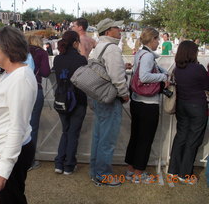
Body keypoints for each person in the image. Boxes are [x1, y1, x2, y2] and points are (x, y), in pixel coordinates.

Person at [0, 26, 37, 204]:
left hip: (9, 150)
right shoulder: (11, 74)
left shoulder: (20, 79)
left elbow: (17, 127)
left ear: (7, 48)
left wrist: (3, 168)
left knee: (12, 199)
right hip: (5, 147)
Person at [124, 27, 169, 184]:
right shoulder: (148, 56)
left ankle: (131, 169)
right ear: (152, 39)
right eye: (157, 39)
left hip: (137, 101)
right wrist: (163, 76)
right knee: (145, 138)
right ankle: (139, 172)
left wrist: (163, 71)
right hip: (148, 103)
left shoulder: (141, 54)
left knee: (136, 136)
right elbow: (144, 76)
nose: (159, 42)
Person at [90, 18, 129, 187]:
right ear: (108, 32)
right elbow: (117, 77)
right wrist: (124, 94)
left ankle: (96, 171)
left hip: (99, 96)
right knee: (107, 139)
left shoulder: (99, 47)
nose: (119, 30)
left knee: (99, 136)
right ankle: (103, 174)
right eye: (116, 28)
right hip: (110, 98)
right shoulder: (112, 49)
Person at [168, 41, 209, 184]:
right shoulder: (198, 69)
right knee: (193, 140)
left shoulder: (177, 69)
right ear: (192, 53)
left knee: (180, 137)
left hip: (182, 106)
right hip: (197, 107)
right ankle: (184, 174)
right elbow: (207, 85)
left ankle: (173, 170)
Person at [53, 30, 87, 175]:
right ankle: (69, 165)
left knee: (65, 131)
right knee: (73, 132)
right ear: (75, 43)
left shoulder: (57, 59)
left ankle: (59, 163)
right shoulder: (81, 60)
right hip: (78, 99)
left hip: (61, 99)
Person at [27, 35, 51, 170]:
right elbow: (46, 72)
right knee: (33, 126)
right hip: (36, 88)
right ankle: (30, 160)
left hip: (20, 89)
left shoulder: (21, 52)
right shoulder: (41, 53)